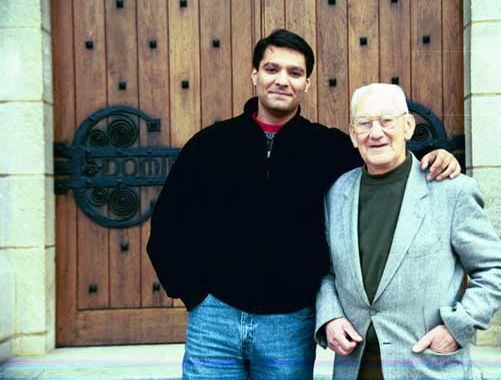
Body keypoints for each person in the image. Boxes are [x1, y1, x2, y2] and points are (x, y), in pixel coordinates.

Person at [146, 30, 460, 380]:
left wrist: (432, 160)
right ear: (255, 75)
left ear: (307, 83)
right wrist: (195, 296)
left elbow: (385, 161)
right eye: (271, 69)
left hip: (290, 324)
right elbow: (167, 226)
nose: (282, 80)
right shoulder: (210, 145)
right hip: (215, 319)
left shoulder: (330, 148)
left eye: (294, 73)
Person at [315, 83, 501, 380]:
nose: (376, 132)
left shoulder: (450, 190)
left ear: (408, 126)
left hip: (426, 367)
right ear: (353, 135)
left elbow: (495, 268)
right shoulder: (337, 192)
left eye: (387, 121)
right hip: (355, 367)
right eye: (365, 123)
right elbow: (326, 270)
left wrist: (458, 327)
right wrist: (330, 317)